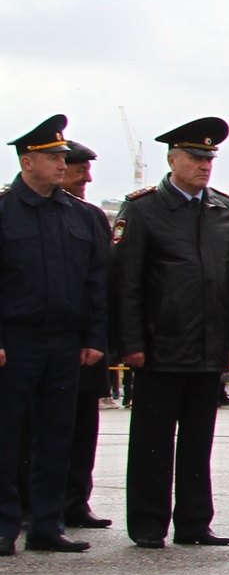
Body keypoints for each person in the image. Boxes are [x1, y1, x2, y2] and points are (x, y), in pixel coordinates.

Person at [113, 118, 229, 548]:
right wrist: (132, 344)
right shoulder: (143, 209)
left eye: (209, 159)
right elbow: (126, 283)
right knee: (152, 443)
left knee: (198, 443)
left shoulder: (223, 210)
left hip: (209, 347)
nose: (204, 166)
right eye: (195, 158)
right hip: (161, 346)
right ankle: (149, 524)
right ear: (172, 158)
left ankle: (194, 523)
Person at [0, 117, 112, 555]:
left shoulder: (82, 216)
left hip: (65, 342)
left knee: (56, 437)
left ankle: (48, 524)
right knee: (7, 437)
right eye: (52, 157)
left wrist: (95, 338)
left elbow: (95, 283)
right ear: (27, 162)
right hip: (16, 341)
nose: (62, 164)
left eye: (63, 156)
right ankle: (6, 525)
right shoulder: (5, 212)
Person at [55, 140, 117, 532]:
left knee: (83, 428)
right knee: (33, 428)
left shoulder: (92, 217)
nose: (87, 179)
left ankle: (76, 500)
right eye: (80, 171)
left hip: (86, 342)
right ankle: (30, 502)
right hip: (45, 341)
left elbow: (104, 281)